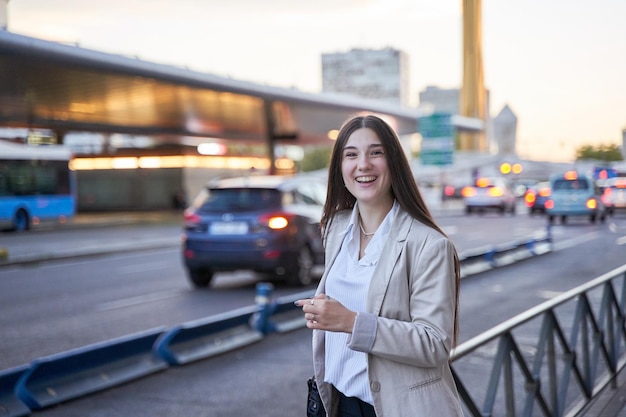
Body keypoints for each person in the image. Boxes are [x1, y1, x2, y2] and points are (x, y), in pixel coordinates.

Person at [296, 114, 463, 417]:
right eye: (351, 155)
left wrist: (351, 322)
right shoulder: (335, 228)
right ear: (340, 168)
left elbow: (436, 343)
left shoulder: (429, 244)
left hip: (398, 409)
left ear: (394, 163)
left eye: (376, 152)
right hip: (337, 403)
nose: (363, 164)